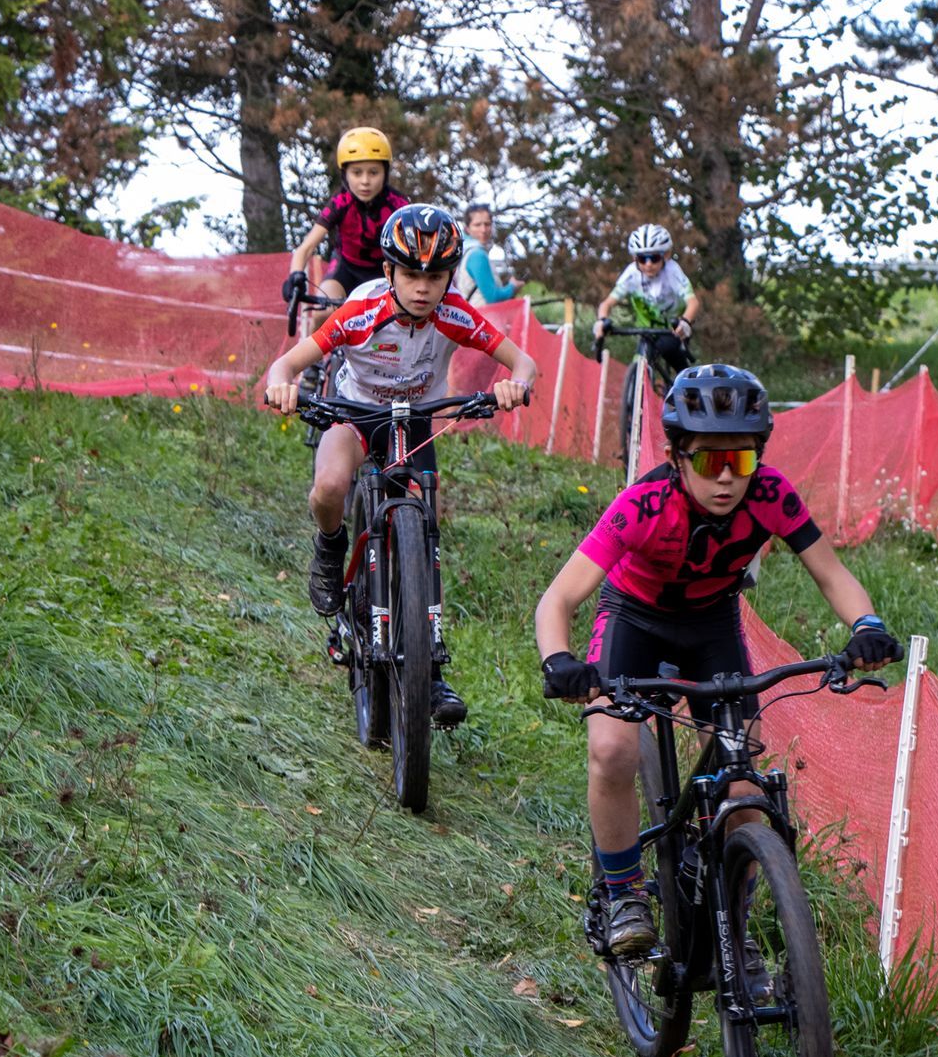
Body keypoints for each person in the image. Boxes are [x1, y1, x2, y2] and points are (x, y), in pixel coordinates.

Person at [533, 366, 901, 958]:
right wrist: (559, 660)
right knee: (612, 749)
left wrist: (868, 627)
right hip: (634, 617)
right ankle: (623, 893)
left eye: (742, 459)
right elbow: (558, 599)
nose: (727, 477)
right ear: (676, 457)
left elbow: (832, 575)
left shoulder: (772, 496)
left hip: (711, 625)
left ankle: (734, 930)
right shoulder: (643, 504)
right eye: (709, 461)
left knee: (742, 782)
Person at [266, 203, 540, 726]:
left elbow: (523, 363)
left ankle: (430, 670)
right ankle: (330, 547)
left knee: (425, 530)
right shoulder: (361, 310)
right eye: (411, 275)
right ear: (388, 271)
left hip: (415, 424)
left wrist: (515, 385)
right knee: (329, 487)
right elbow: (288, 363)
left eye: (435, 277)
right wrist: (282, 385)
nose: (423, 288)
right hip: (355, 413)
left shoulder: (455, 313)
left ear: (449, 278)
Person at [283, 128, 408, 307]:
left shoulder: (399, 205)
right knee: (322, 311)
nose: (365, 181)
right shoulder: (340, 202)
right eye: (357, 173)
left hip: (385, 272)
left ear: (385, 172)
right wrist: (295, 276)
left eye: (373, 172)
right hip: (346, 269)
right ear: (345, 174)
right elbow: (306, 247)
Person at [592, 224, 700, 378]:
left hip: (671, 330)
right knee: (638, 367)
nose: (648, 264)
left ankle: (689, 386)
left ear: (666, 256)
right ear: (635, 258)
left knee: (678, 364)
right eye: (642, 259)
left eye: (654, 258)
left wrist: (685, 321)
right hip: (645, 332)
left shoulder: (673, 271)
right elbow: (607, 303)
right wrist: (602, 321)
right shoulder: (631, 273)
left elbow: (693, 302)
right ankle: (638, 387)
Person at [454, 203, 523, 306]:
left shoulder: (464, 251)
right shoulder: (477, 255)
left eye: (487, 224)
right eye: (477, 225)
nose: (483, 230)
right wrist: (512, 287)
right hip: (481, 314)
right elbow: (493, 297)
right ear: (467, 229)